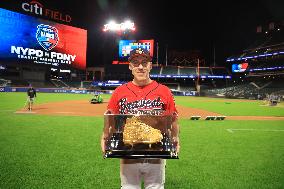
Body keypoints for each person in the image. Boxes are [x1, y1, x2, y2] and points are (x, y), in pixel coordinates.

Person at [101, 48, 180, 189]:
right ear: (130, 66)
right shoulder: (119, 92)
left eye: (145, 62)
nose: (141, 66)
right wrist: (105, 136)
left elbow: (173, 119)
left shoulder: (164, 91)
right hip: (128, 152)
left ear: (150, 65)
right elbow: (110, 119)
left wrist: (175, 139)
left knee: (155, 187)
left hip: (157, 152)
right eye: (136, 63)